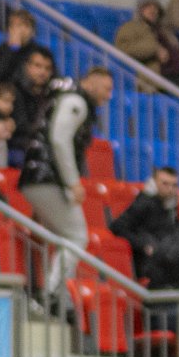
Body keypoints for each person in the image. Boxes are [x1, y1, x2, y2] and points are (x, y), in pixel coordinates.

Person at [17, 67, 114, 296]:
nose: (109, 96)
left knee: (62, 237)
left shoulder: (65, 98)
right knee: (77, 236)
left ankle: (53, 293)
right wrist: (73, 182)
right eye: (107, 88)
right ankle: (52, 293)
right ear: (91, 82)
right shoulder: (76, 102)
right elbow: (60, 140)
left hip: (38, 175)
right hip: (46, 177)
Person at [108, 166, 179, 277]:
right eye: (165, 184)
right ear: (154, 183)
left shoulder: (171, 206)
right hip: (146, 262)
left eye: (174, 185)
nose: (170, 189)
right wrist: (143, 245)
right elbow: (117, 227)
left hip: (165, 257)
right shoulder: (143, 203)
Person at [0, 10, 43, 86]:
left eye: (26, 25)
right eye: (18, 25)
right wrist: (14, 48)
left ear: (32, 30)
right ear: (9, 29)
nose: (21, 30)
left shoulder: (40, 53)